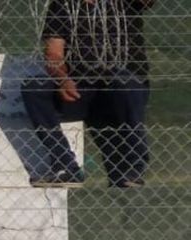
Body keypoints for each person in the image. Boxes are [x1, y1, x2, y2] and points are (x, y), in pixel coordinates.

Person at [22, 0, 153, 189]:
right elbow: (54, 53)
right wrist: (62, 79)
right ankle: (65, 166)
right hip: (79, 89)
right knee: (33, 87)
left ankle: (133, 167)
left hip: (118, 92)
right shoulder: (63, 5)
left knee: (124, 80)